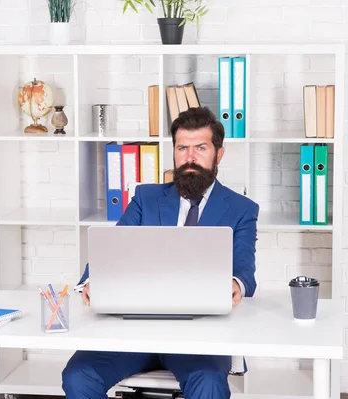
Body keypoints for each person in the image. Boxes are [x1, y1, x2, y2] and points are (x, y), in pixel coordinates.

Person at [62, 106, 260, 399]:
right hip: (133, 330)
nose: (190, 157)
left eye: (200, 148)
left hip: (199, 336)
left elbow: (245, 270)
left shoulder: (242, 209)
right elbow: (112, 249)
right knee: (78, 376)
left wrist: (236, 284)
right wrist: (92, 281)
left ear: (218, 154)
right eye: (182, 148)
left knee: (209, 383)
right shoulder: (146, 197)